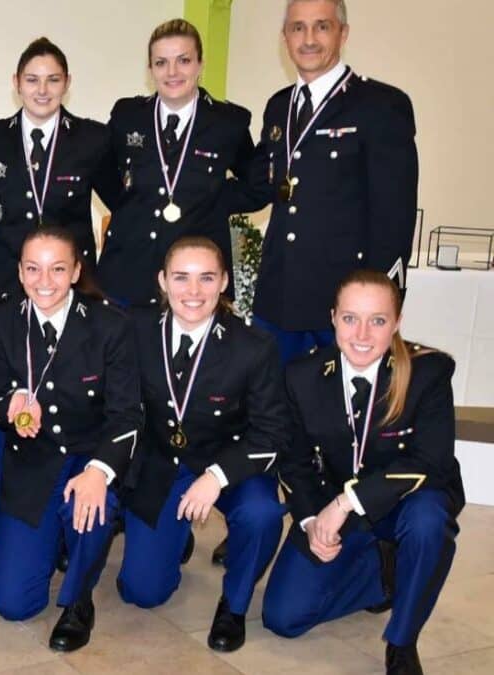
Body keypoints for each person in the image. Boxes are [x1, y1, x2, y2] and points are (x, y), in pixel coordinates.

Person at [262, 270, 463, 675]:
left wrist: (345, 502)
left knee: (428, 523)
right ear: (333, 317)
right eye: (350, 318)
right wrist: (312, 519)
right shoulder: (303, 376)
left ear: (397, 323)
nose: (363, 334)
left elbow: (430, 461)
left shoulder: (428, 372)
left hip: (408, 504)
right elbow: (294, 460)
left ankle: (403, 639)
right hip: (339, 512)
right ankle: (385, 573)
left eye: (378, 320)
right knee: (283, 618)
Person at [115, 237, 287, 653]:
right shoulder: (134, 329)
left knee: (262, 514)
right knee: (141, 593)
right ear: (162, 281)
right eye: (181, 278)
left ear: (224, 281)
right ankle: (176, 538)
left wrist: (217, 476)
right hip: (163, 463)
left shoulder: (254, 346)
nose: (193, 292)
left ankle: (234, 603)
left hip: (230, 463)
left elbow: (273, 431)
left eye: (206, 278)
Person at [0, 226, 141, 652]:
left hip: (89, 456)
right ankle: (46, 543)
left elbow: (127, 413)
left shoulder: (111, 325)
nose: (44, 281)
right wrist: (9, 403)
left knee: (91, 508)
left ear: (75, 271)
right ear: (19, 272)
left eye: (57, 269)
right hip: (31, 460)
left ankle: (78, 600)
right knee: (12, 603)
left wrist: (101, 471)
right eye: (33, 269)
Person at [250, 0, 419, 364]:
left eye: (321, 26)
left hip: (343, 302)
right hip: (278, 296)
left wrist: (377, 304)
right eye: (298, 28)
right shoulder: (278, 107)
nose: (308, 39)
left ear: (343, 33)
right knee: (271, 411)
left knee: (339, 414)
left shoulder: (380, 106)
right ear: (284, 37)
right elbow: (264, 185)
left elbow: (395, 215)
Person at [97, 18, 262, 308]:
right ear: (150, 69)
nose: (172, 72)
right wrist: (130, 207)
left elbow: (256, 186)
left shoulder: (227, 123)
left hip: (195, 283)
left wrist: (214, 199)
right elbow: (104, 174)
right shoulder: (128, 116)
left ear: (200, 64)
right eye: (161, 63)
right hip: (127, 272)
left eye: (183, 60)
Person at [0, 37, 116, 305]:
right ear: (16, 82)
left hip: (70, 280)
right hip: (5, 278)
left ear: (67, 82)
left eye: (53, 79)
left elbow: (120, 202)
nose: (42, 90)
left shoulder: (92, 139)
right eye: (31, 80)